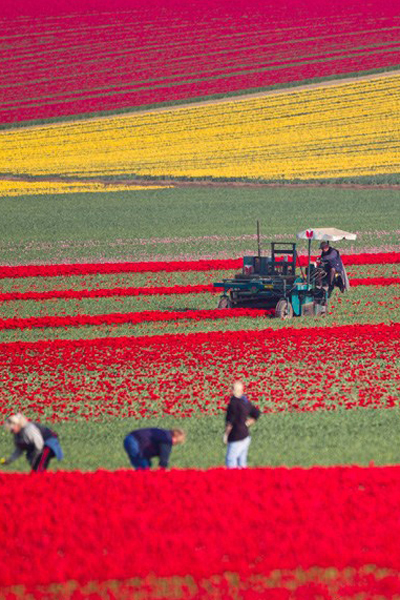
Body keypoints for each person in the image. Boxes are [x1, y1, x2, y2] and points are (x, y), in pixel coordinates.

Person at [224, 381, 260, 468]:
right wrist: (247, 423)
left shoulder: (232, 404)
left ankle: (232, 480)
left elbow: (230, 423)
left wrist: (226, 435)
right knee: (242, 462)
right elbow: (257, 413)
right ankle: (244, 480)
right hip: (246, 436)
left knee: (231, 460)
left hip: (235, 436)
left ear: (233, 390)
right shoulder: (245, 402)